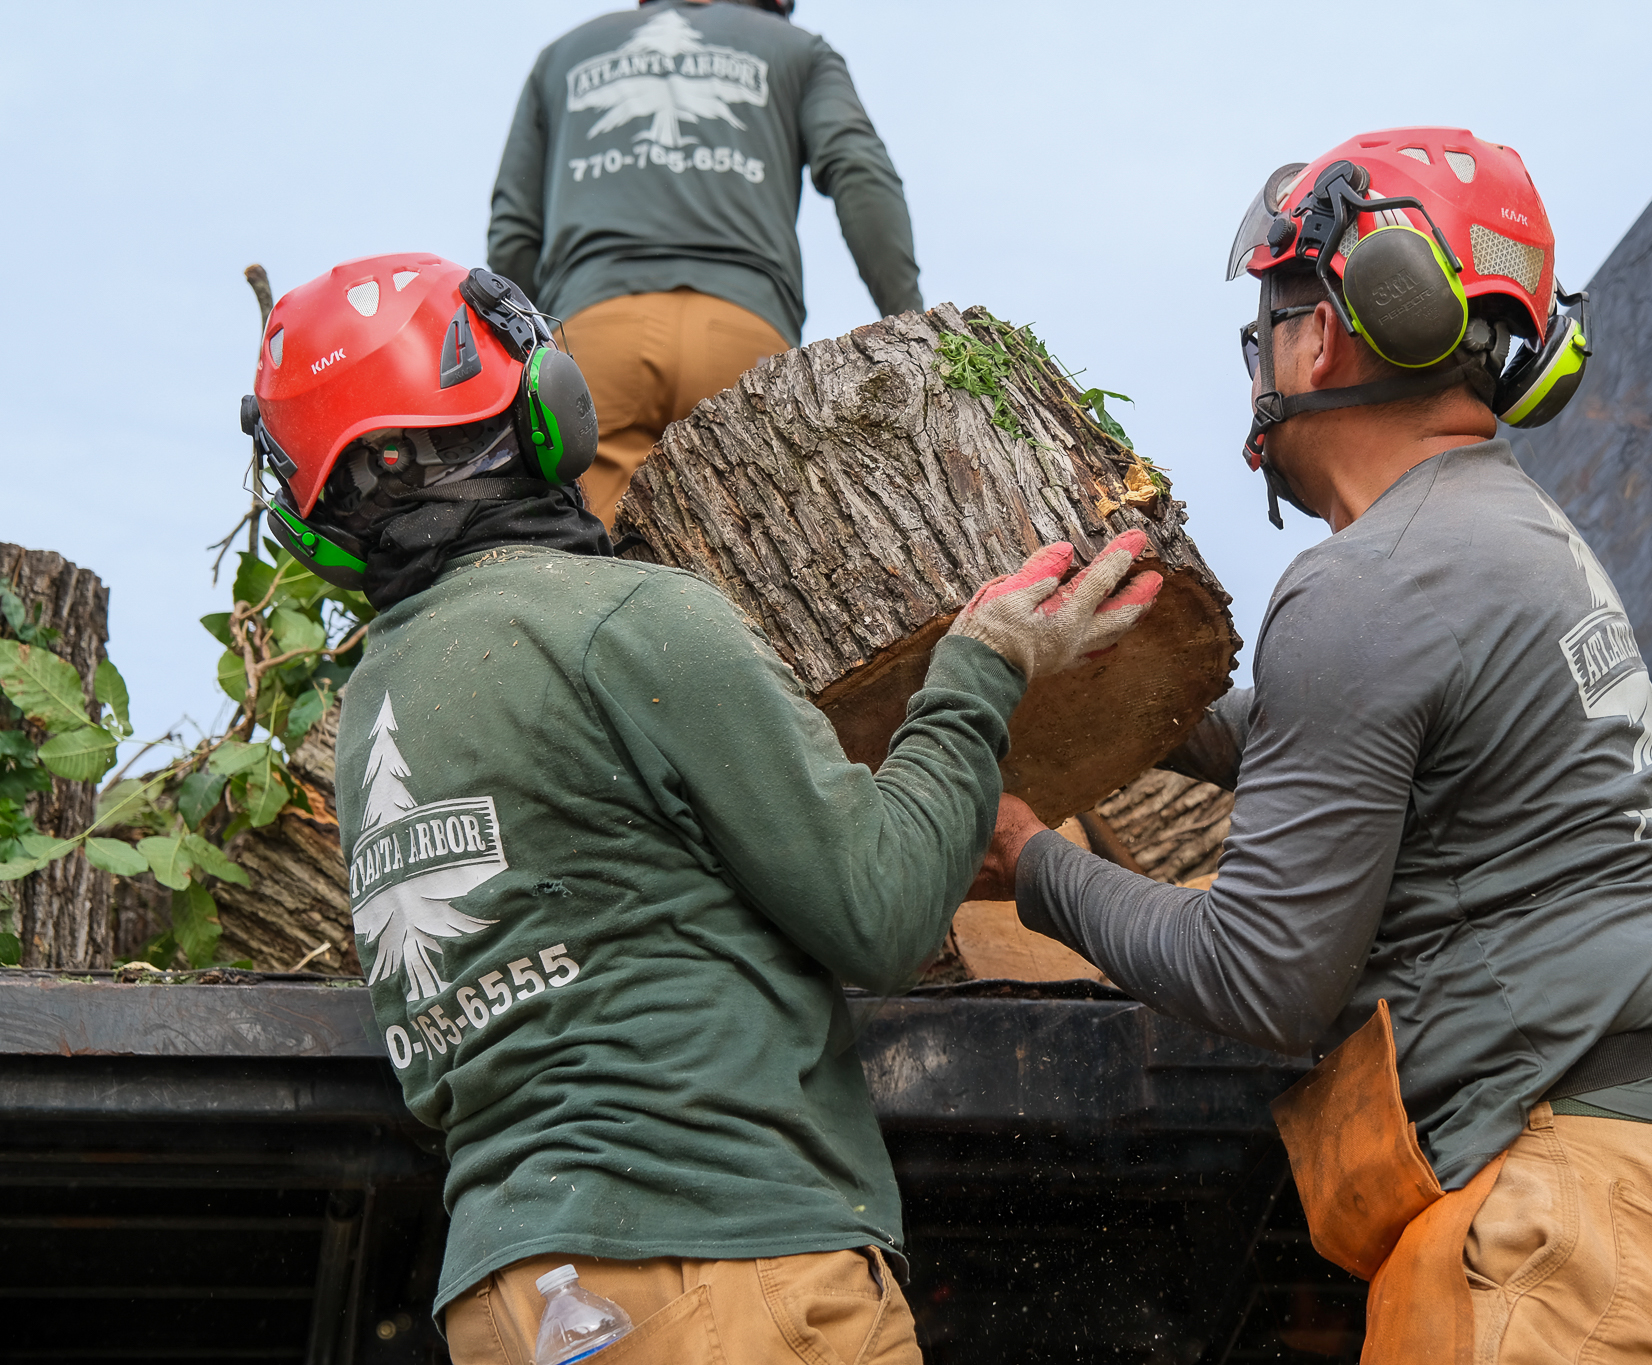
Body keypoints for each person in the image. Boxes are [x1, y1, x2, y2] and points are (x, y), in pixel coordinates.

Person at [970, 132, 1652, 1364]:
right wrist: (1125, 676)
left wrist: (1030, 858)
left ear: (1328, 332)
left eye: (1274, 314)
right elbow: (1314, 738)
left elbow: (1262, 974)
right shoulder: (1506, 534)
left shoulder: (1371, 580)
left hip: (1565, 1234)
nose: (1263, 355)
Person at [243, 252, 1159, 1362]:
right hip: (721, 1267)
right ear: (544, 403)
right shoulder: (630, 623)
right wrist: (979, 671)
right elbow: (879, 914)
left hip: (515, 1301)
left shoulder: (378, 704)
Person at [487, 0, 922, 527]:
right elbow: (860, 171)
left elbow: (514, 230)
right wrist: (909, 323)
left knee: (581, 570)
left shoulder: (562, 57)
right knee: (750, 568)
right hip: (744, 344)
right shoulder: (799, 50)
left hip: (591, 347)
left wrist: (523, 357)